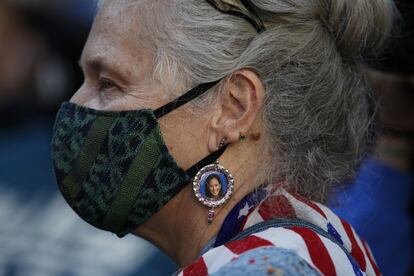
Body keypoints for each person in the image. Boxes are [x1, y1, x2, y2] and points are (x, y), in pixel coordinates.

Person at [50, 0, 395, 275]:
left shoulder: (266, 266)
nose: (76, 106)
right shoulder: (306, 249)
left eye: (109, 83)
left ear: (233, 109)